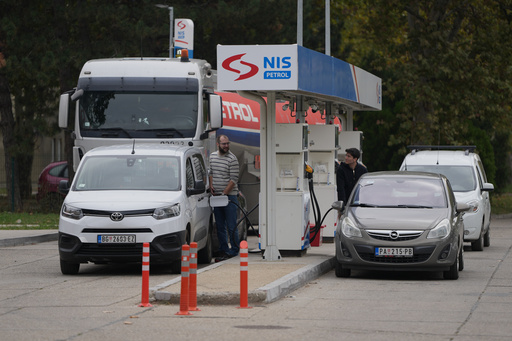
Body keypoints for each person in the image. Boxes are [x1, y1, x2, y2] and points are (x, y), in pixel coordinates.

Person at [209, 135, 240, 261]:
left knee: (231, 225)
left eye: (227, 143)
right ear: (218, 144)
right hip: (217, 197)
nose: (226, 146)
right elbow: (211, 172)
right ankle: (223, 248)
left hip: (229, 197)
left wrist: (224, 193)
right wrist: (211, 185)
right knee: (220, 225)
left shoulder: (232, 159)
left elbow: (234, 179)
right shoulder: (212, 156)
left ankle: (234, 249)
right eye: (224, 144)